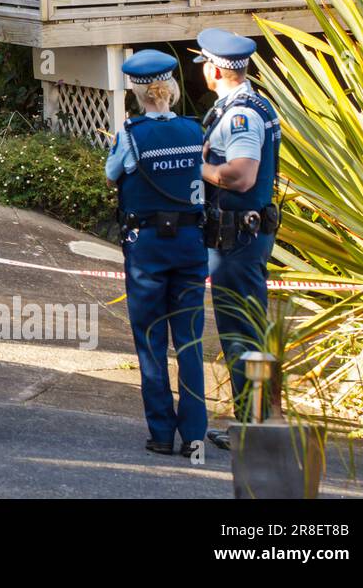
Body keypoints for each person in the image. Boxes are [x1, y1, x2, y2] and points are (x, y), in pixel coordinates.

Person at [105, 50, 208, 459]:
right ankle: (196, 435)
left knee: (150, 342)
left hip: (147, 247)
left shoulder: (131, 135)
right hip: (191, 246)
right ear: (171, 88)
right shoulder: (195, 131)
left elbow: (113, 174)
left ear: (135, 91)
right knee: (190, 343)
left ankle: (162, 434)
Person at [194, 28, 282, 451]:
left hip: (238, 239)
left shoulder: (241, 114)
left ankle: (253, 428)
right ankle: (255, 420)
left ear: (214, 69)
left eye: (204, 66)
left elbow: (243, 175)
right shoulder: (245, 106)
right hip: (240, 237)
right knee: (246, 328)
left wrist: (201, 170)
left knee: (240, 331)